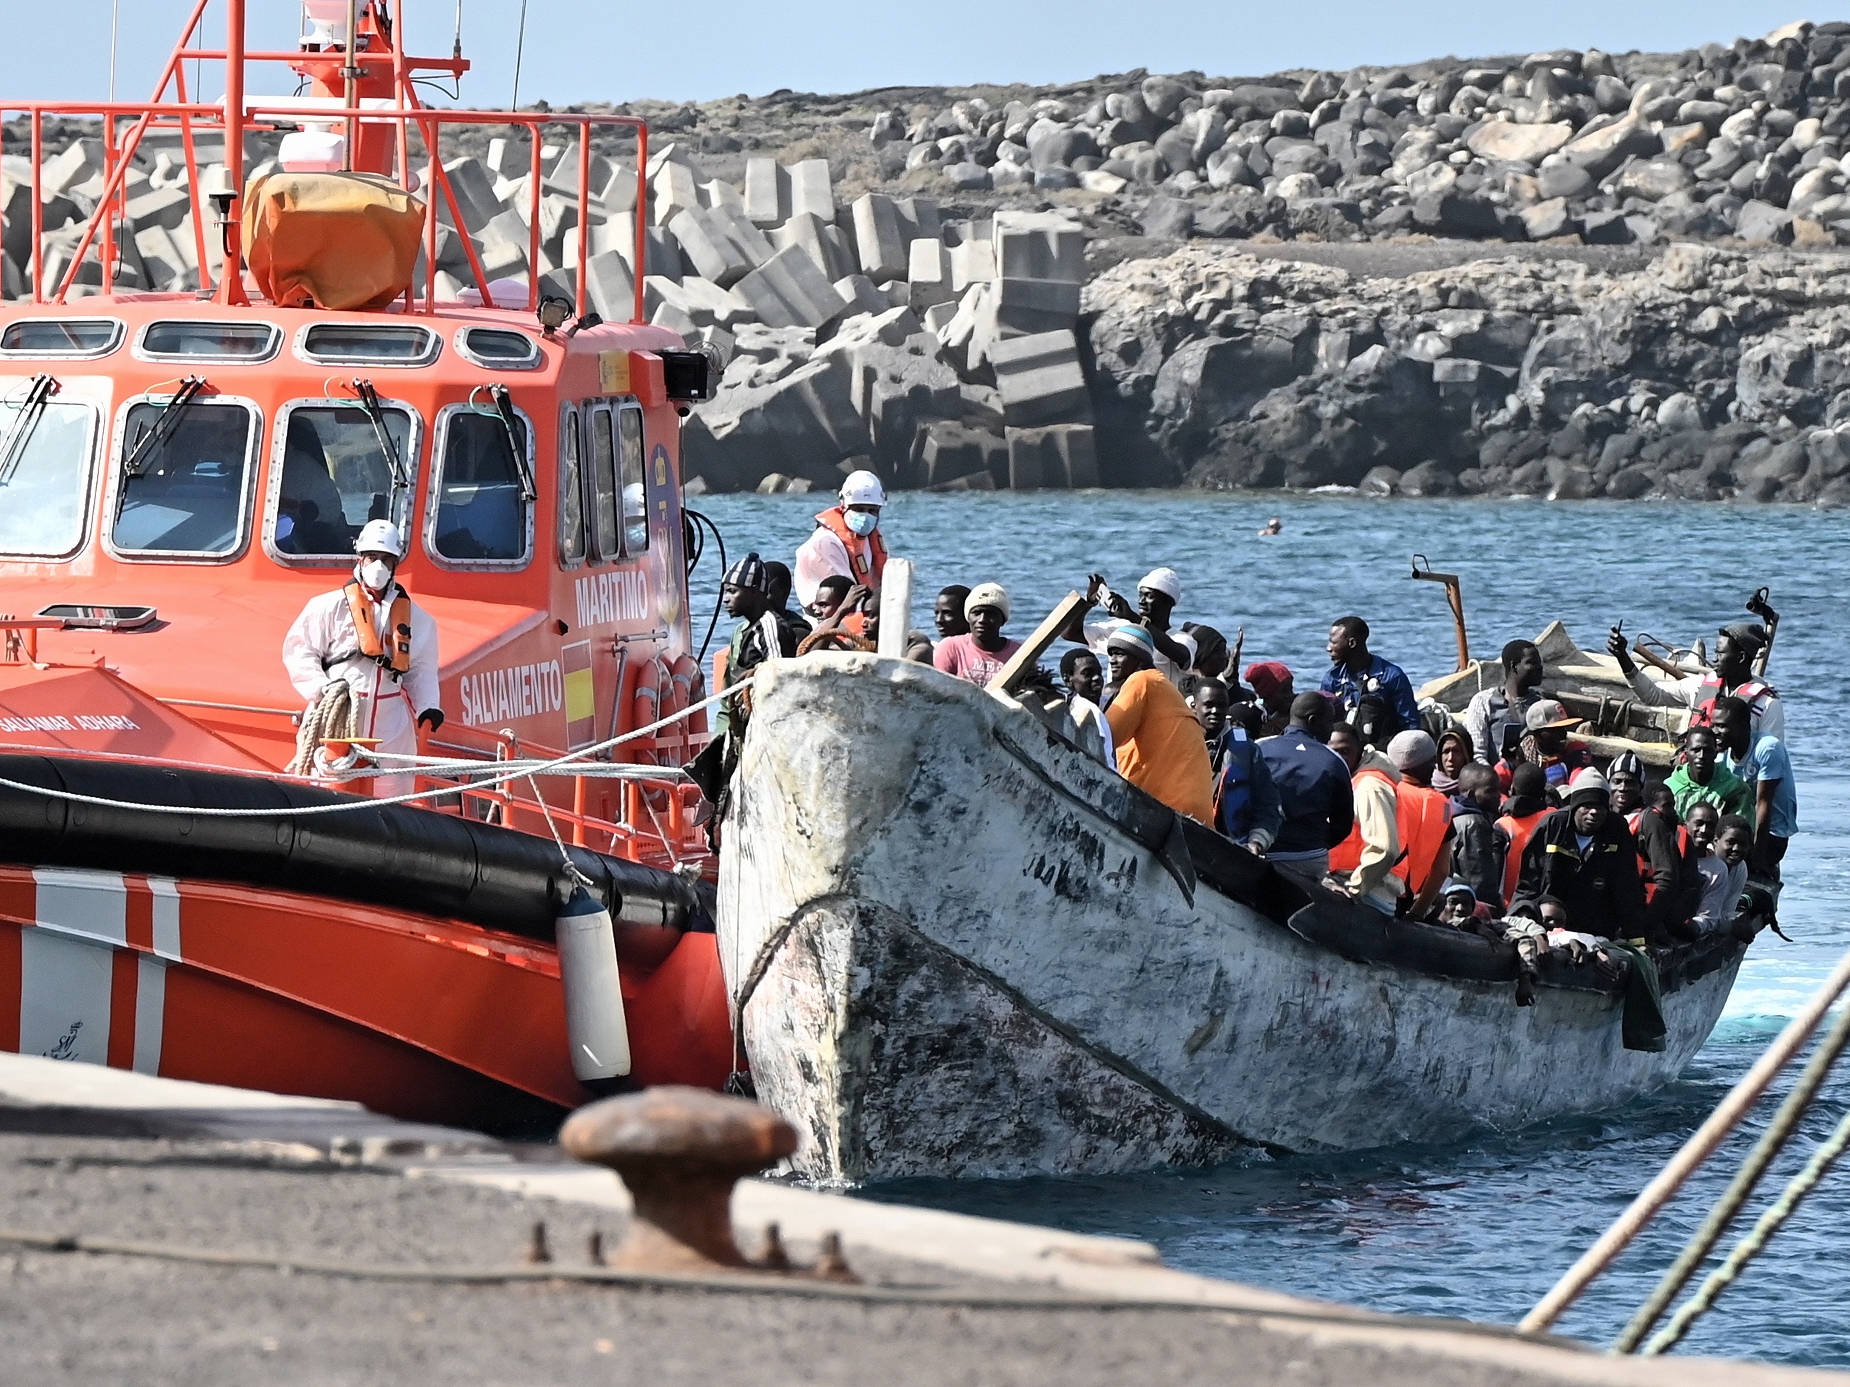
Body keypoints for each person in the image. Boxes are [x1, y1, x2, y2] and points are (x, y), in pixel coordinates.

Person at [282, 520, 441, 800]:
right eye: (373, 558)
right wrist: (321, 687)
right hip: (337, 715)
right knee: (327, 789)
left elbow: (421, 669)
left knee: (392, 795)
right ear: (360, 559)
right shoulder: (327, 607)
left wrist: (429, 706)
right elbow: (300, 650)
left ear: (395, 564)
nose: (378, 566)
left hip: (390, 724)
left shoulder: (419, 619)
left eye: (386, 560)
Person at [1514, 768, 1646, 940]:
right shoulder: (1553, 826)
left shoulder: (1617, 829)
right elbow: (1527, 884)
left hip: (1597, 932)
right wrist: (1526, 924)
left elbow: (1628, 889)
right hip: (1550, 928)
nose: (1594, 812)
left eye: (1600, 807)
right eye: (1587, 805)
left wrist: (1637, 939)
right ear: (1575, 806)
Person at [1103, 625, 1215, 823]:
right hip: (1196, 816)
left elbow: (1103, 737)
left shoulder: (1143, 680)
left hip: (1169, 810)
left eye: (1120, 654)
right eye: (1111, 654)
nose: (1112, 660)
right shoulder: (1164, 688)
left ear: (1139, 659)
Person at [1606, 621, 1784, 743]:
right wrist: (1622, 657)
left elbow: (1772, 758)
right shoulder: (1699, 686)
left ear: (1741, 658)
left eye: (1720, 653)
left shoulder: (1767, 704)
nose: (1714, 659)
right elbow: (1653, 695)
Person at [1258, 691, 1354, 879]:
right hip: (1308, 859)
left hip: (1260, 853)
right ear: (1312, 721)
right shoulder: (1334, 761)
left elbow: (1230, 800)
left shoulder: (1259, 748)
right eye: (1329, 722)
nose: (1331, 729)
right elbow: (1343, 825)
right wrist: (1313, 841)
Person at [714, 553, 804, 739]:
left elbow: (779, 682)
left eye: (732, 591)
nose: (726, 599)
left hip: (765, 729)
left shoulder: (770, 627)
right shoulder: (751, 629)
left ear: (754, 592)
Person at [1711, 694, 1796, 888]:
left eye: (1722, 726)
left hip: (1770, 836)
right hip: (1739, 829)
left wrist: (1758, 859)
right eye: (1714, 725)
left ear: (1744, 725)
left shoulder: (1767, 749)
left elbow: (1763, 804)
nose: (1716, 732)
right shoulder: (1722, 754)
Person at [1327, 722, 1404, 915]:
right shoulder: (1348, 781)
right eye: (1333, 752)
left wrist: (1354, 890)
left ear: (1360, 750)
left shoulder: (1369, 786)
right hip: (1358, 887)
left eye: (1345, 751)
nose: (1339, 758)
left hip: (1368, 894)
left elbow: (1384, 849)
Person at [1071, 569, 1192, 684]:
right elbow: (1071, 632)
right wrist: (1088, 603)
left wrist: (1133, 617)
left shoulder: (1180, 638)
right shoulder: (1122, 630)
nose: (1141, 601)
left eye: (1149, 596)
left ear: (1168, 602)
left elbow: (1181, 655)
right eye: (1140, 595)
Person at [1319, 615, 1420, 746]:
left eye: (1333, 642)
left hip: (1383, 751)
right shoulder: (1332, 678)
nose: (1328, 648)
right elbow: (1323, 723)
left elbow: (1410, 724)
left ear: (1352, 643)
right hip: (1343, 752)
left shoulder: (1392, 676)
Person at [1385, 729, 1454, 919]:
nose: (1435, 766)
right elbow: (1441, 871)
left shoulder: (1382, 791)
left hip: (1369, 890)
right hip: (1404, 900)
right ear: (1421, 765)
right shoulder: (1442, 805)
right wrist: (1418, 911)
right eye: (1432, 761)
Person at [794, 469, 887, 607]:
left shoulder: (871, 540)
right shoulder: (825, 543)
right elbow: (842, 594)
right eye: (859, 509)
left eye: (872, 510)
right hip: (825, 620)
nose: (866, 516)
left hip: (861, 614)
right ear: (844, 506)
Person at [1460, 639, 1545, 766]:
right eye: (1531, 663)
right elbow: (1477, 754)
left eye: (1539, 663)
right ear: (1514, 666)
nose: (1539, 668)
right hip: (1494, 776)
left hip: (1532, 776)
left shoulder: (1540, 703)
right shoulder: (1484, 701)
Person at [1214, 702, 1284, 853]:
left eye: (1220, 707)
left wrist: (1257, 841)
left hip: (1235, 845)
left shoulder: (1250, 753)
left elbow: (1269, 805)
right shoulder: (1182, 743)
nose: (1214, 712)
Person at [933, 583, 1021, 686]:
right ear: (968, 617)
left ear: (1002, 620)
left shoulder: (1019, 653)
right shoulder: (950, 648)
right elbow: (939, 690)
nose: (982, 620)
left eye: (990, 613)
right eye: (977, 613)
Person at [1449, 762, 1508, 912]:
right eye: (1490, 791)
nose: (1498, 797)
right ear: (1470, 795)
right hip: (1471, 909)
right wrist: (1495, 910)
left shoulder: (1454, 816)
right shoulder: (1474, 824)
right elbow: (1479, 878)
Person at [1666, 723, 1752, 823]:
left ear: (1716, 753)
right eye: (1696, 750)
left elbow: (1741, 828)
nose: (1701, 756)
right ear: (1686, 752)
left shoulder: (1735, 787)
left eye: (1707, 750)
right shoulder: (1671, 787)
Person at [1496, 762, 1553, 910]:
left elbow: (1495, 874)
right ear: (1544, 793)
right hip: (1546, 906)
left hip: (1511, 907)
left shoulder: (1503, 825)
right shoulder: (1554, 818)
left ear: (1512, 789)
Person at [1501, 698, 1590, 793]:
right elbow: (1498, 785)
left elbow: (1579, 782)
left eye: (1564, 727)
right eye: (1555, 730)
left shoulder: (1575, 749)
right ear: (1536, 734)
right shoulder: (1518, 755)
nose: (1563, 733)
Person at [1691, 812, 1754, 937]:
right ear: (1715, 841)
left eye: (1743, 844)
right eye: (1731, 842)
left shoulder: (1740, 868)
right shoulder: (1704, 866)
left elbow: (1726, 913)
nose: (1737, 849)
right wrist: (1732, 927)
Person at [1060, 647, 1115, 766]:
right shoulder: (1086, 711)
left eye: (1099, 672)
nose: (1097, 678)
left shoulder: (1110, 702)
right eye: (1087, 673)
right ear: (1068, 680)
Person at [1244, 661, 1294, 737]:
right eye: (1284, 691)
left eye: (1291, 689)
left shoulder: (1296, 713)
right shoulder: (1256, 718)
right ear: (1266, 694)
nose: (1290, 695)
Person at [1189, 677, 1232, 761]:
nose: (1215, 711)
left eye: (1222, 705)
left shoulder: (1245, 747)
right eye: (1209, 705)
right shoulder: (1178, 740)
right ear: (1193, 707)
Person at [1433, 727, 1471, 796]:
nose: (1451, 758)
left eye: (1456, 751)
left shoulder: (1477, 787)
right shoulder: (1429, 784)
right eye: (1446, 752)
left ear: (1466, 754)